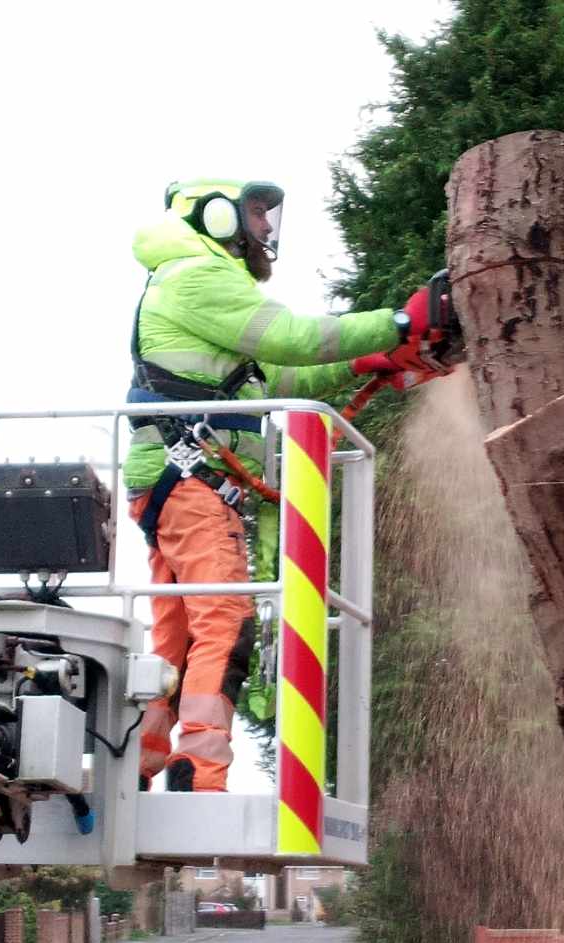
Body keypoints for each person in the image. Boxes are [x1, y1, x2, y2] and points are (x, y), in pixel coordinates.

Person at [123, 178, 436, 792]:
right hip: (192, 476)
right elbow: (292, 337)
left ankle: (142, 759)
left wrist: (366, 360)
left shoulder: (195, 282)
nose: (267, 227)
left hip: (181, 477)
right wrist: (400, 323)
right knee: (226, 621)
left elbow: (274, 375)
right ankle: (200, 773)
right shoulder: (198, 275)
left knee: (179, 634)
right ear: (217, 216)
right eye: (258, 212)